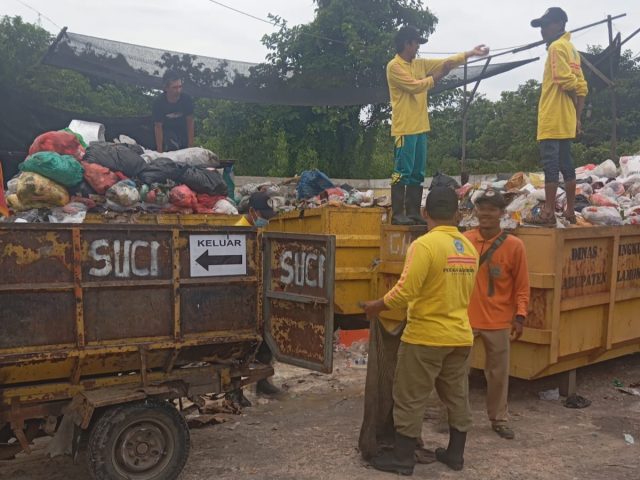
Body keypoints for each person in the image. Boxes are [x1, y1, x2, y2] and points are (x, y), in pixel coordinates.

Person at [362, 186, 479, 475]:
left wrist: (377, 305)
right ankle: (455, 454)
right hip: (460, 337)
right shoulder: (469, 248)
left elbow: (405, 292)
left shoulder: (424, 246)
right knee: (456, 396)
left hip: (425, 337)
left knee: (409, 397)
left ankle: (402, 460)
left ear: (426, 213)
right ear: (457, 213)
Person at [386, 26, 488, 225]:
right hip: (404, 129)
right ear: (407, 43)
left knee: (417, 173)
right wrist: (439, 75)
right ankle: (398, 213)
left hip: (420, 127)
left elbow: (446, 62)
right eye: (416, 43)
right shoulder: (394, 66)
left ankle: (413, 212)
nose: (417, 48)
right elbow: (416, 87)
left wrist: (470, 53)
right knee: (401, 172)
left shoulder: (419, 64)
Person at [464, 190, 530, 440]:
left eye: (491, 209)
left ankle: (499, 419)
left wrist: (520, 316)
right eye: (481, 208)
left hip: (499, 320)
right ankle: (455, 417)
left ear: (502, 214)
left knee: (498, 375)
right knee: (456, 372)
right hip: (465, 319)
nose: (485, 214)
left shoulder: (515, 246)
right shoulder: (465, 241)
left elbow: (522, 285)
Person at [529, 7, 588, 226]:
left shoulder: (556, 47)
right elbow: (582, 87)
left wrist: (573, 106)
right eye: (541, 26)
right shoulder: (572, 50)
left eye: (546, 25)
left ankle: (547, 213)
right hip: (566, 120)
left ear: (560, 24)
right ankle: (570, 211)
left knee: (550, 165)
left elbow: (566, 81)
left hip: (552, 118)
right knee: (567, 164)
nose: (542, 30)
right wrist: (577, 117)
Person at [152, 71, 195, 153]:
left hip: (183, 132)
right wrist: (159, 151)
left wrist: (190, 147)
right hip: (166, 133)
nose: (178, 90)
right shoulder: (158, 102)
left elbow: (190, 122)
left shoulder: (186, 99)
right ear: (166, 88)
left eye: (180, 87)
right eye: (174, 87)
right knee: (171, 144)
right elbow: (158, 127)